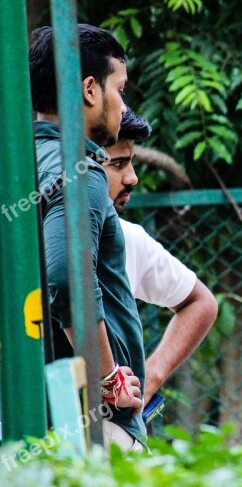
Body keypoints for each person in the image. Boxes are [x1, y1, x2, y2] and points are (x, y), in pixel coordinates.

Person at [30, 24, 145, 450]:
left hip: (30, 412)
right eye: (121, 88)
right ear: (91, 89)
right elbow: (69, 279)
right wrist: (108, 380)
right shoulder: (82, 168)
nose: (123, 105)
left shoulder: (18, 163)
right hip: (88, 424)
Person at [101, 109, 217, 408]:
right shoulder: (22, 242)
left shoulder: (129, 239)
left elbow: (200, 303)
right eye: (117, 164)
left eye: (130, 163)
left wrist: (149, 376)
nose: (132, 178)